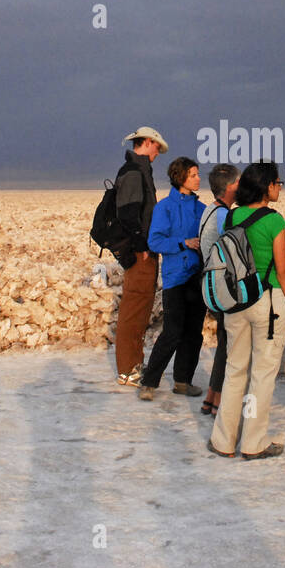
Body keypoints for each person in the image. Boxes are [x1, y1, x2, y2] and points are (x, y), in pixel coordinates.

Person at [208, 162, 285, 460]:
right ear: (266, 186)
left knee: (235, 370)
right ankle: (252, 441)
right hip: (268, 302)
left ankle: (223, 440)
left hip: (236, 302)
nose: (280, 187)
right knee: (262, 374)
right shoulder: (275, 221)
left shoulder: (233, 215)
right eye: (277, 182)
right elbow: (283, 269)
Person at [139, 158, 207, 401]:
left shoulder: (202, 209)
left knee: (193, 333)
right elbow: (154, 242)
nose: (198, 178)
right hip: (175, 278)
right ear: (180, 178)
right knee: (172, 332)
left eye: (198, 174)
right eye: (193, 175)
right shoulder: (165, 207)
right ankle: (149, 382)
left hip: (197, 277)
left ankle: (182, 381)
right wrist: (184, 243)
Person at [113, 127, 166, 387]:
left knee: (140, 308)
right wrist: (141, 245)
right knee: (134, 310)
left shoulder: (140, 170)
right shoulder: (134, 172)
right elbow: (128, 213)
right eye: (156, 146)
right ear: (146, 142)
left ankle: (133, 364)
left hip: (144, 251)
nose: (158, 151)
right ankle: (127, 370)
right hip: (139, 254)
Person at [197, 164, 240, 416]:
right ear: (230, 186)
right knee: (228, 345)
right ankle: (218, 402)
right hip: (223, 287)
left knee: (224, 342)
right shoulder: (224, 215)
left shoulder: (210, 210)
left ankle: (211, 398)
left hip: (210, 286)